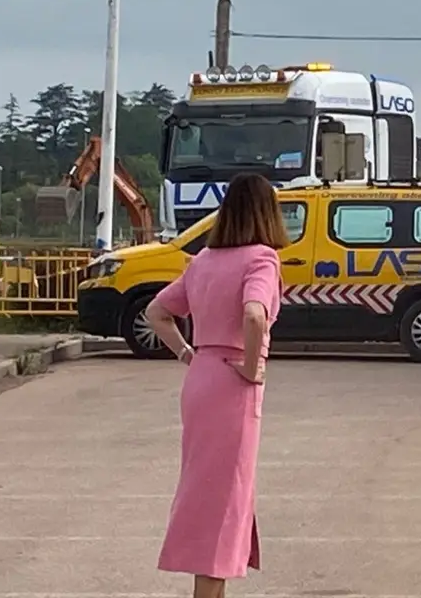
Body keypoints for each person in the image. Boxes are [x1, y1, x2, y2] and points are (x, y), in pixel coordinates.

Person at [144, 173, 287, 598]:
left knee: (206, 487)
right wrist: (251, 366)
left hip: (202, 373)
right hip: (231, 380)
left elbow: (157, 312)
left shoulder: (203, 260)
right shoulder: (261, 259)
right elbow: (255, 314)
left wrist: (187, 353)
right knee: (224, 496)